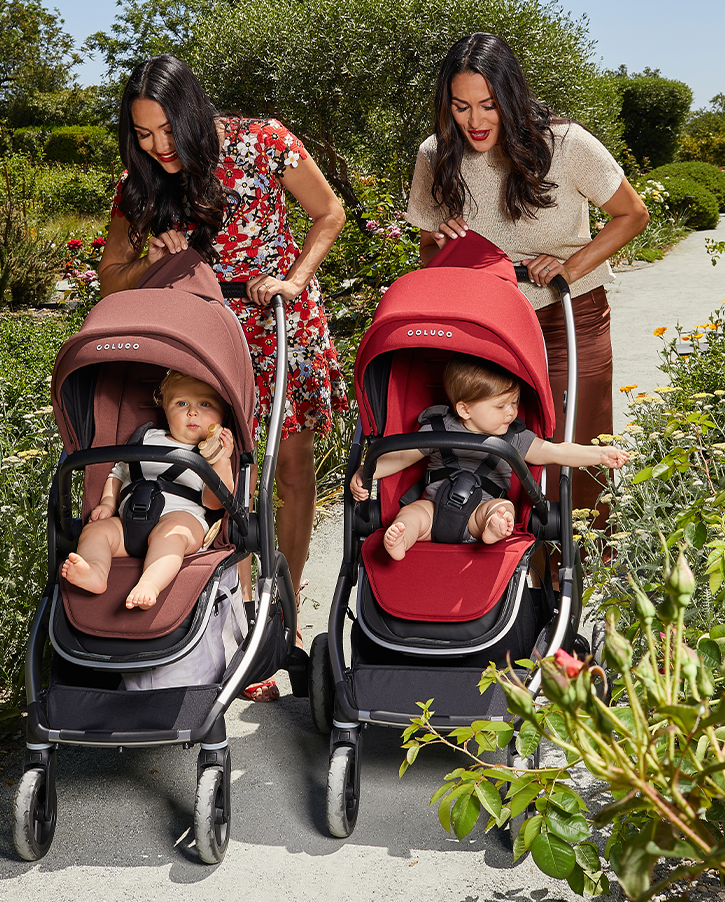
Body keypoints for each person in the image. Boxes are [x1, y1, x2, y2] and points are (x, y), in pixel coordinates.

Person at [97, 55, 348, 699]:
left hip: (276, 317)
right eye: (143, 135)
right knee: (224, 472)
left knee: (290, 465)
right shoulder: (141, 181)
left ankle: (284, 614)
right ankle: (238, 617)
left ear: (192, 113)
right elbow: (111, 278)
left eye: (166, 130)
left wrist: (294, 276)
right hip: (204, 334)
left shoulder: (265, 141)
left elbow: (330, 213)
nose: (157, 146)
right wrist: (150, 262)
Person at [405, 33, 648, 524]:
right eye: (460, 106)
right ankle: (520, 579)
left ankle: (583, 572)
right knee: (495, 453)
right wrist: (441, 238)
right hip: (483, 325)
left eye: (488, 106)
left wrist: (569, 267)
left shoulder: (566, 145)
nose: (474, 121)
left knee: (575, 449)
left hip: (566, 316)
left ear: (510, 96)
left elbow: (632, 214)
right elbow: (428, 250)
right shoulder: (435, 154)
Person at [349, 355, 629, 560]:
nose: (511, 412)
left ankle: (494, 528)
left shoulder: (515, 438)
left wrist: (598, 454)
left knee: (502, 509)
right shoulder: (436, 428)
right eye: (501, 406)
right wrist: (367, 472)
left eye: (515, 402)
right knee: (411, 515)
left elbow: (554, 452)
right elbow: (400, 457)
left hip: (479, 513)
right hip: (434, 509)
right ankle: (402, 538)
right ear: (465, 409)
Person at [61, 370, 234, 610]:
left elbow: (215, 503)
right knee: (95, 531)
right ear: (165, 409)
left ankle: (150, 583)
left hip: (181, 521)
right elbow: (119, 472)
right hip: (130, 521)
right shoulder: (145, 437)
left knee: (170, 536)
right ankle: (95, 571)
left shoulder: (210, 457)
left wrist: (223, 461)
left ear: (222, 415)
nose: (192, 412)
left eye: (205, 404)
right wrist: (108, 503)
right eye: (181, 403)